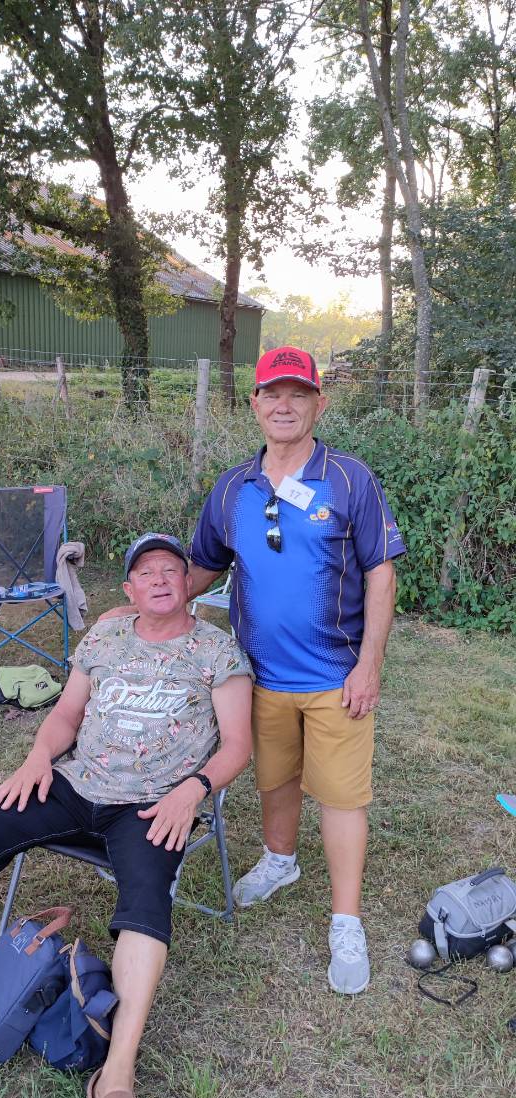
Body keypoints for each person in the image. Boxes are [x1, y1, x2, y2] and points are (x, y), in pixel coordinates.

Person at [0, 533, 253, 1098]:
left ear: (189, 584)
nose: (160, 578)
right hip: (77, 783)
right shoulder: (105, 638)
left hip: (153, 806)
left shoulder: (218, 651)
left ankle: (115, 1081)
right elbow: (65, 717)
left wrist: (191, 791)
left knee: (146, 899)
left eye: (172, 570)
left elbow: (238, 747)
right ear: (129, 589)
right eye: (147, 571)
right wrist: (37, 757)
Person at [187, 346, 406, 995]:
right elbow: (205, 563)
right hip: (257, 677)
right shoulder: (233, 487)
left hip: (338, 676)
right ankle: (280, 861)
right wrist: (152, 598)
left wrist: (369, 664)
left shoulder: (350, 480)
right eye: (273, 394)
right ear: (255, 404)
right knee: (275, 778)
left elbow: (381, 572)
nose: (285, 405)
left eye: (298, 394)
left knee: (341, 796)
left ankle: (346, 921)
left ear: (319, 403)